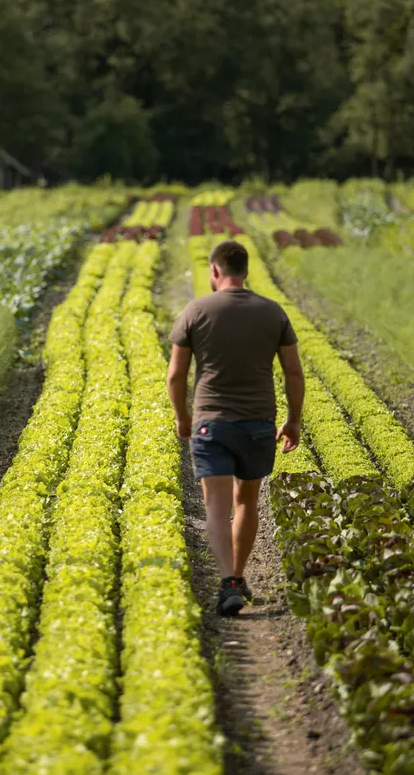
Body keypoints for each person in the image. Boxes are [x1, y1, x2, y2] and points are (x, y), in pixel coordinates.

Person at [168, 240, 304, 617]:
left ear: (214, 271)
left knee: (216, 504)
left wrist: (182, 417)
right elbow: (293, 371)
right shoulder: (272, 312)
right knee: (247, 500)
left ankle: (228, 581)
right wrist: (293, 419)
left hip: (211, 423)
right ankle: (238, 576)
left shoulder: (196, 310)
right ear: (245, 272)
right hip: (259, 423)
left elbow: (176, 374)